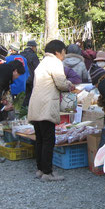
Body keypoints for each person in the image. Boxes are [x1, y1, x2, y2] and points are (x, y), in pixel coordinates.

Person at [28, 40, 74, 182]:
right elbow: (60, 83)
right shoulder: (55, 63)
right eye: (63, 52)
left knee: (40, 139)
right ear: (57, 52)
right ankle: (48, 172)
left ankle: (40, 169)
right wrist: (69, 85)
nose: (64, 55)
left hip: (36, 104)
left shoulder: (43, 62)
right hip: (47, 105)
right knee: (48, 139)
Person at [20, 40, 40, 106]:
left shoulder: (21, 54)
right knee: (30, 97)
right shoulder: (33, 55)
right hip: (31, 79)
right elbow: (37, 67)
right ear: (32, 47)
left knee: (22, 97)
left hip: (22, 78)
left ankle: (22, 110)